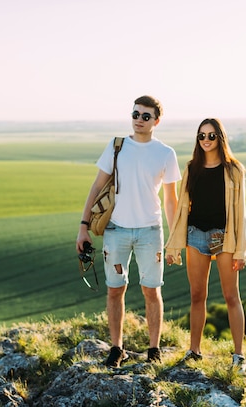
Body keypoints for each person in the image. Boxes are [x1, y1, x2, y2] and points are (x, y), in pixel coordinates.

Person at [76, 95, 180, 367]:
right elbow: (97, 187)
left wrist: (175, 237)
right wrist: (83, 228)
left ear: (157, 121)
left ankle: (154, 349)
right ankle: (116, 348)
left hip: (150, 232)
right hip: (116, 231)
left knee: (152, 290)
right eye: (135, 114)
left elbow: (171, 200)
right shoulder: (116, 146)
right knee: (114, 290)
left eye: (146, 116)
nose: (139, 120)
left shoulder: (166, 154)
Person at [165, 117, 246, 372]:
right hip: (195, 235)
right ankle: (194, 351)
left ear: (220, 138)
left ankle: (239, 356)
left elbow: (241, 212)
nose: (206, 140)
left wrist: (241, 250)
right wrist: (173, 244)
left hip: (224, 237)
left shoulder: (234, 169)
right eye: (201, 135)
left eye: (211, 136)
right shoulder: (192, 168)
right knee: (197, 295)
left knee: (230, 295)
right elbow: (181, 208)